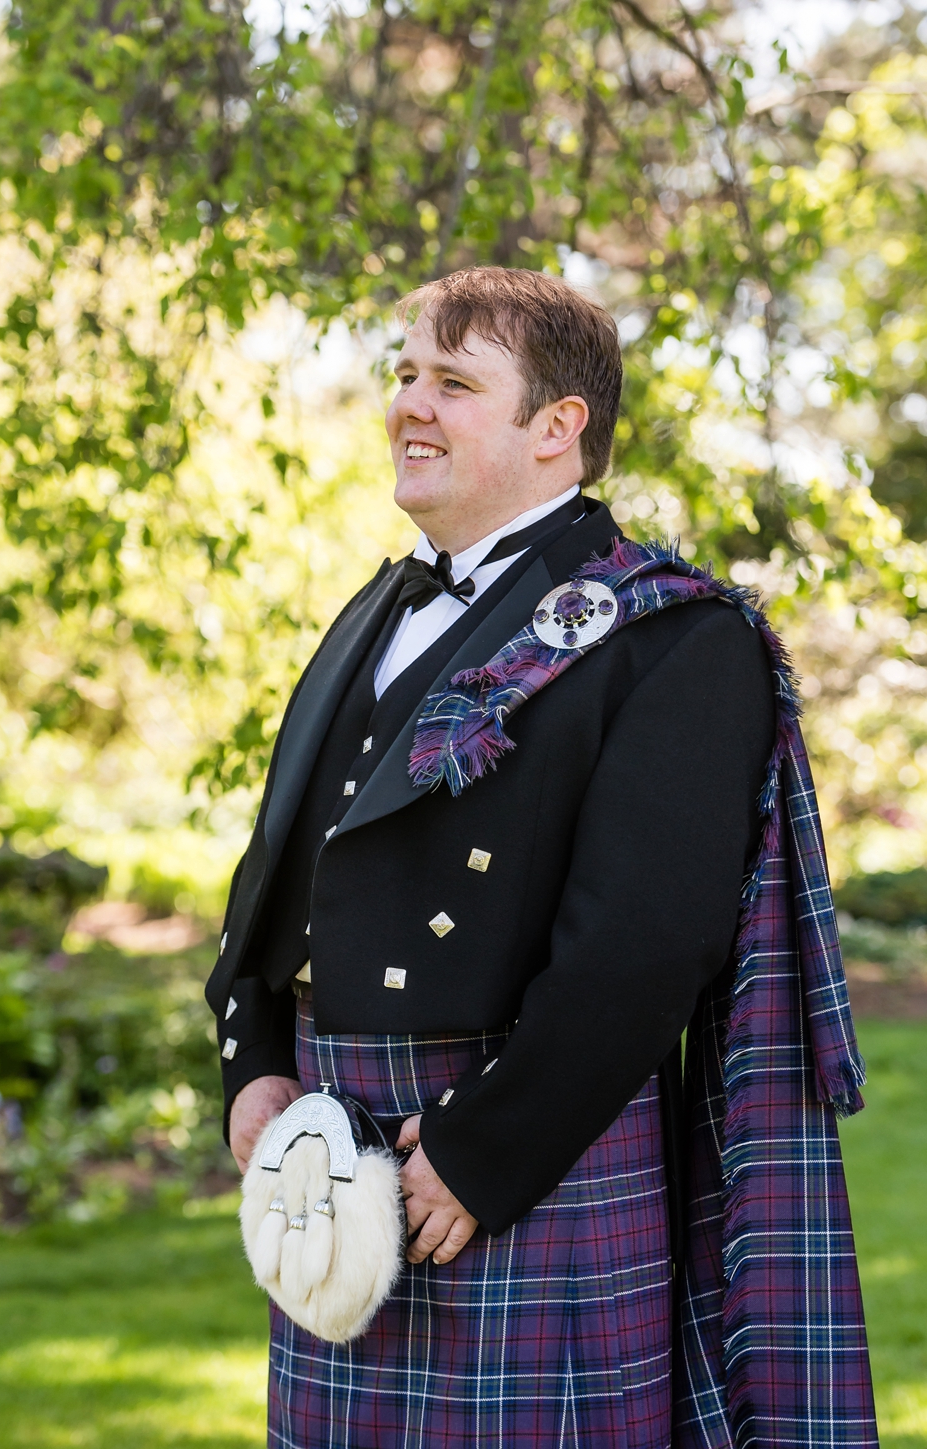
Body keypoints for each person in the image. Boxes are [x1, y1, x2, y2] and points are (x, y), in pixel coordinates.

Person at [211, 267, 875, 1445]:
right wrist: (255, 1059)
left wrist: (483, 1151)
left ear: (556, 428)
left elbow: (644, 945)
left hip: (524, 1164)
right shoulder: (374, 609)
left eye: (453, 382)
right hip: (334, 1153)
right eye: (405, 373)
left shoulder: (671, 638)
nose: (409, 403)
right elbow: (286, 859)